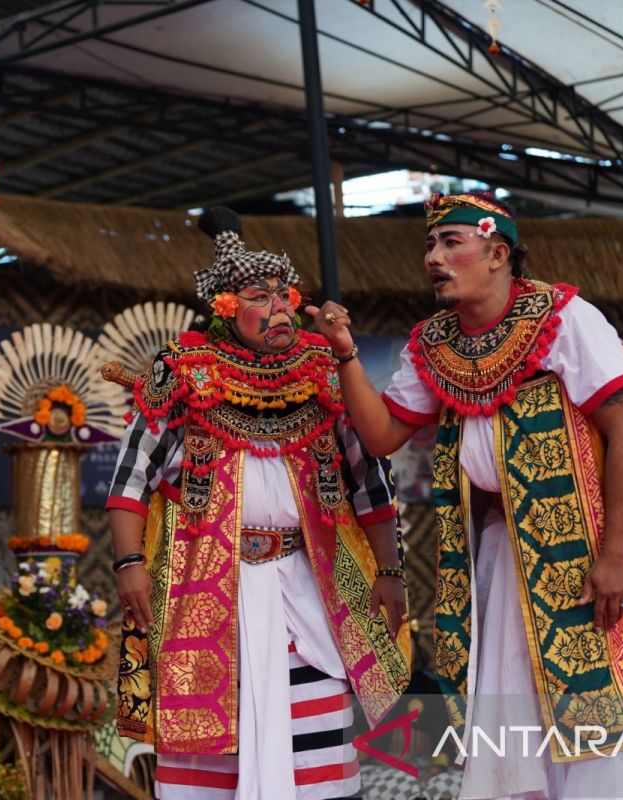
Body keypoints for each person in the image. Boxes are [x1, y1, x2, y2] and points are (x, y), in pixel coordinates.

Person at [309, 191, 623, 799]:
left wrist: (613, 555)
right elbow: (379, 434)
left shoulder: (565, 318)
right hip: (493, 558)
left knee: (592, 726)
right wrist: (346, 354)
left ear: (498, 253)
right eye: (430, 244)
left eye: (451, 242)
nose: (434, 256)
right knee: (507, 724)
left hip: (579, 558)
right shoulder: (434, 343)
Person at [106, 207, 412, 799]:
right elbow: (130, 478)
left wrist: (391, 568)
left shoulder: (323, 371)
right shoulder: (183, 370)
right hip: (204, 582)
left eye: (284, 294)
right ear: (224, 306)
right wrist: (128, 564)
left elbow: (370, 477)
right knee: (206, 747)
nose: (279, 308)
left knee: (317, 736)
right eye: (259, 295)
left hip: (308, 584)